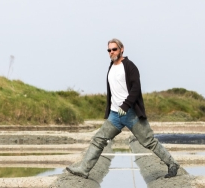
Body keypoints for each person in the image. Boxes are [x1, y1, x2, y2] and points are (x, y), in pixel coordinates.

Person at [66, 38, 179, 179]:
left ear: (122, 49)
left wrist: (125, 106)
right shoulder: (111, 67)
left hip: (131, 113)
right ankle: (84, 169)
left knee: (148, 141)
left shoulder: (130, 66)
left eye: (114, 49)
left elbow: (136, 89)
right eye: (109, 50)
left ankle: (172, 164)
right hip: (115, 115)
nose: (111, 52)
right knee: (98, 139)